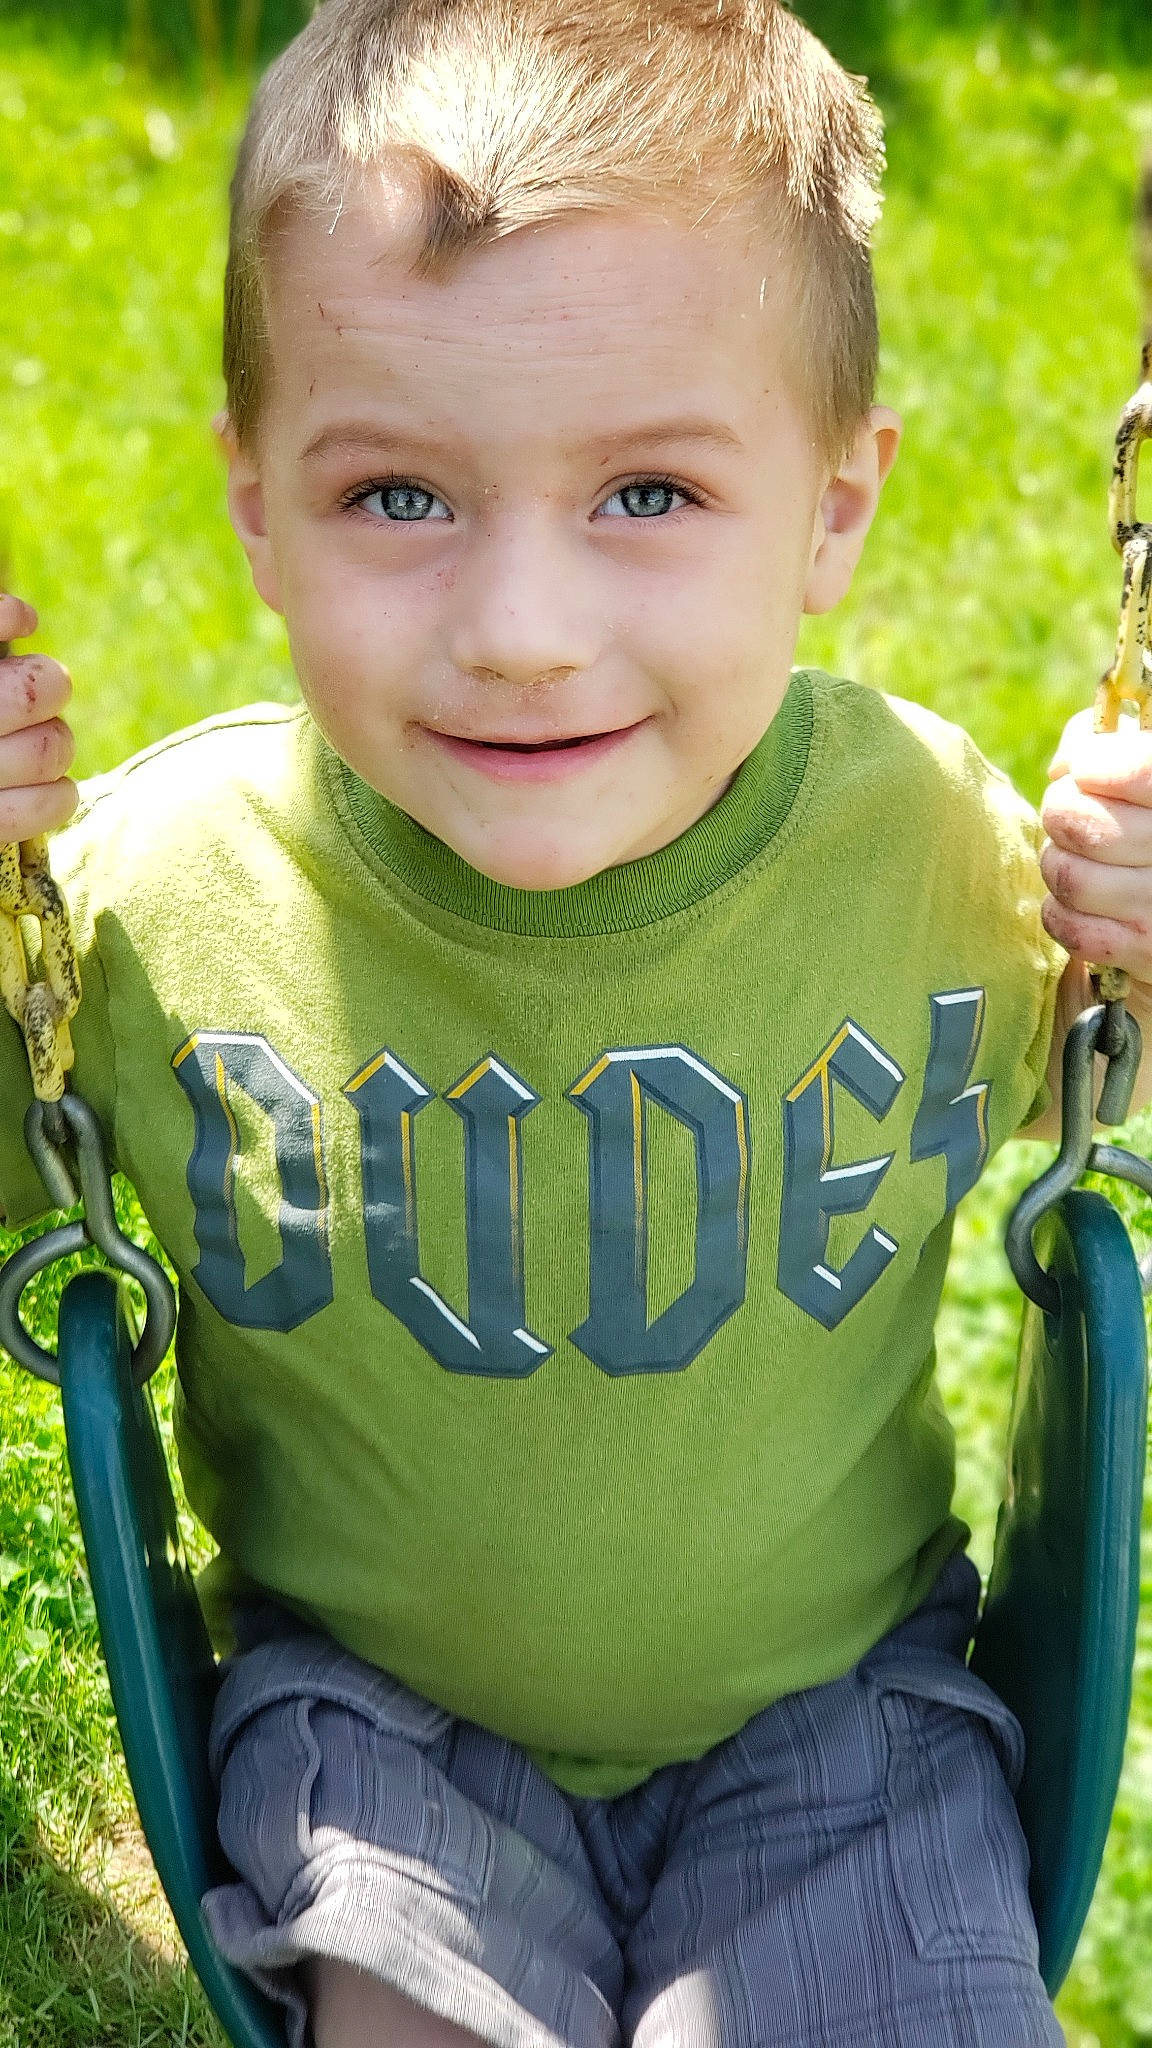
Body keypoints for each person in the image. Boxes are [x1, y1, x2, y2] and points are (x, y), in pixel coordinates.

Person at [1, 0, 1149, 2041]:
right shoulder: (162, 906)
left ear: (835, 507)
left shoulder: (930, 852)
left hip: (847, 1721)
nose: (523, 630)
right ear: (255, 500)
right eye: (397, 500)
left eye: (644, 497)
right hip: (380, 1730)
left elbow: (1106, 1088)